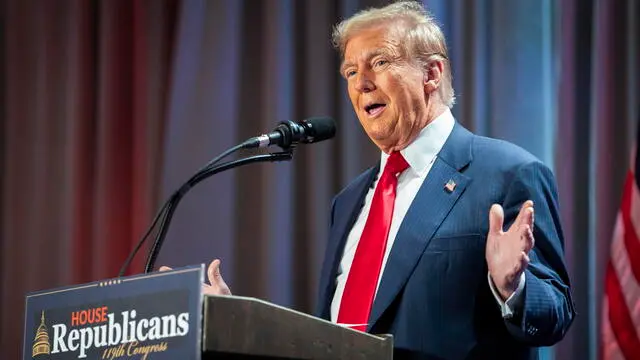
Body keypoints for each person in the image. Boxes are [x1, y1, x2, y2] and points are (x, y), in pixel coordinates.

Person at [165, 1, 575, 359]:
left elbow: (555, 314)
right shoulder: (348, 202)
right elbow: (327, 342)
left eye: (379, 63)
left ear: (432, 73)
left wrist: (514, 287)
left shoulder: (508, 174)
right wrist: (234, 321)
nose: (361, 84)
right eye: (350, 71)